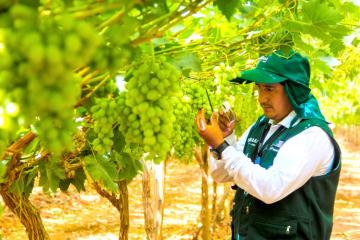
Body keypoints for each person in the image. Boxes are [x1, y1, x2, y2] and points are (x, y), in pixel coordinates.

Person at [195, 50, 341, 240]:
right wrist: (225, 141)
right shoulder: (262, 126)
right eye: (259, 88)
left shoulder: (311, 136)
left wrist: (223, 147)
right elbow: (222, 174)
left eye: (269, 89)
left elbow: (270, 188)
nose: (261, 98)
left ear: (292, 89)